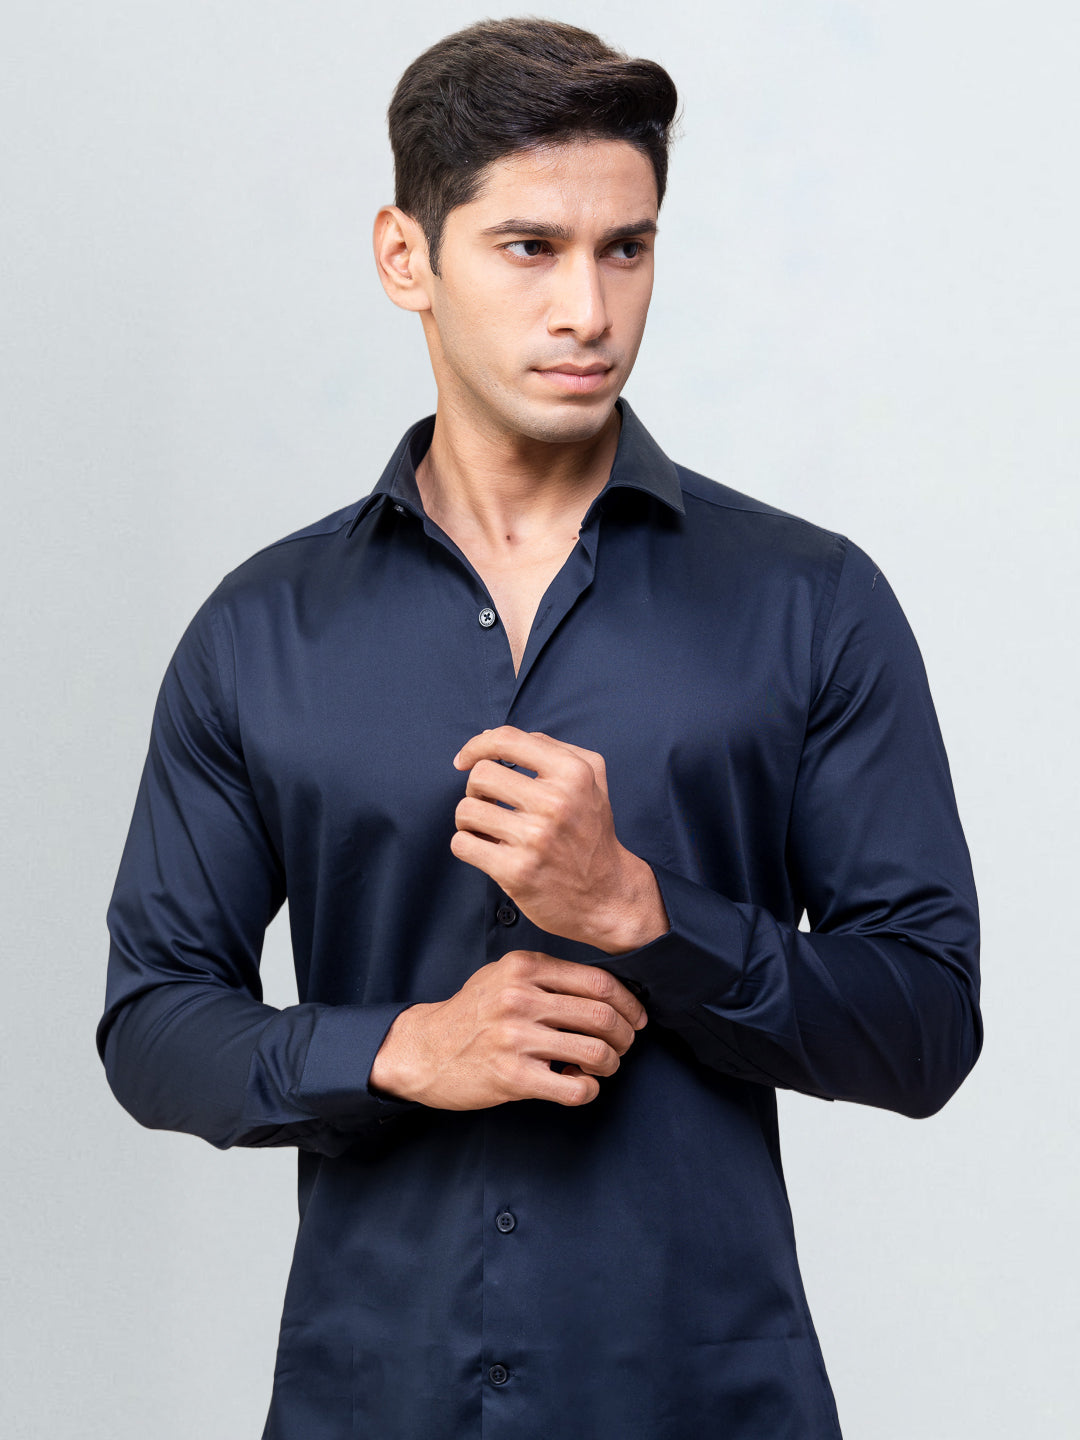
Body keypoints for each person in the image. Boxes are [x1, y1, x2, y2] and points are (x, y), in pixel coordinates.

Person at [98, 17, 982, 1439]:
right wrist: (401, 1051)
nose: (589, 308)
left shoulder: (809, 603)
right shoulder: (262, 630)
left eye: (626, 249)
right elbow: (151, 1022)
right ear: (407, 258)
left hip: (704, 1403)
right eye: (530, 248)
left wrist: (648, 915)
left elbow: (928, 1026)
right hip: (374, 1401)